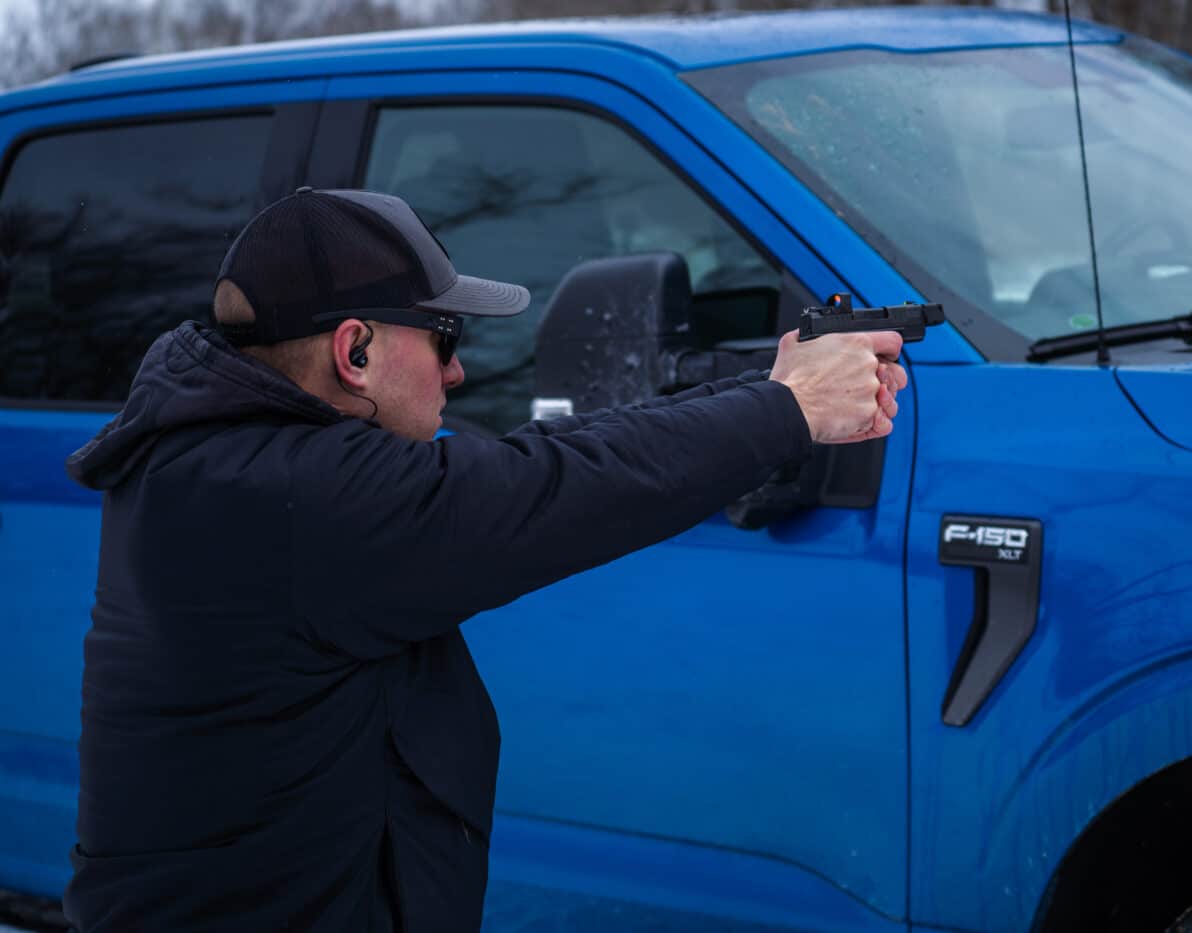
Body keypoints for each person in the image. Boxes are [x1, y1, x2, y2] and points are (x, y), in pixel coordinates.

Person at [62, 187, 906, 932]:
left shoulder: (235, 466)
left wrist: (770, 389)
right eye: (442, 335)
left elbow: (548, 455)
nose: (459, 370)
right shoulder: (286, 497)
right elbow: (549, 488)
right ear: (354, 351)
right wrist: (787, 411)